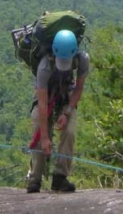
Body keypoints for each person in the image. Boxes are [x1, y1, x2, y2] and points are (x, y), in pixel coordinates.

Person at [27, 29, 90, 193]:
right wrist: (46, 137)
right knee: (39, 130)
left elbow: (79, 89)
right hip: (46, 96)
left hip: (67, 96)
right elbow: (41, 103)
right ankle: (35, 179)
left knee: (69, 132)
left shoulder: (82, 59)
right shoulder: (44, 66)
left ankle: (60, 177)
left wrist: (67, 112)